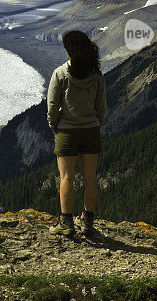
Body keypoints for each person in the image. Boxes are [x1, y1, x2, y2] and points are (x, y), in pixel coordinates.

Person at [47, 30, 106, 238]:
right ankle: (88, 222)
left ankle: (66, 222)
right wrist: (95, 123)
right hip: (90, 130)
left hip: (67, 131)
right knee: (90, 177)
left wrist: (54, 126)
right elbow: (102, 107)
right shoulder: (96, 74)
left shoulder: (60, 73)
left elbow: (53, 105)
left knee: (66, 177)